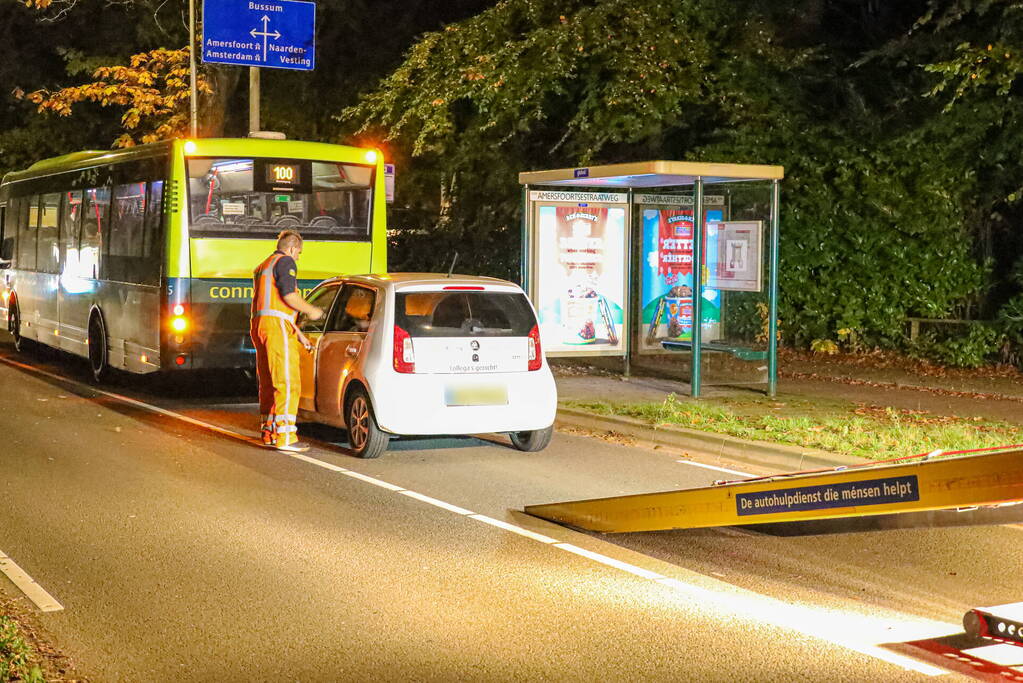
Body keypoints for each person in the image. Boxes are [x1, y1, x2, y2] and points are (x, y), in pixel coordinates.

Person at [250, 230, 324, 452]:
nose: (298, 257)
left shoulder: (264, 264)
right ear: (292, 248)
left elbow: (273, 305)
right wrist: (312, 311)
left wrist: (299, 334)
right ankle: (286, 436)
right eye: (299, 252)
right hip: (276, 327)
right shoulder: (285, 262)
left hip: (262, 325)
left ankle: (270, 431)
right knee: (288, 381)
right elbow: (288, 296)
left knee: (269, 381)